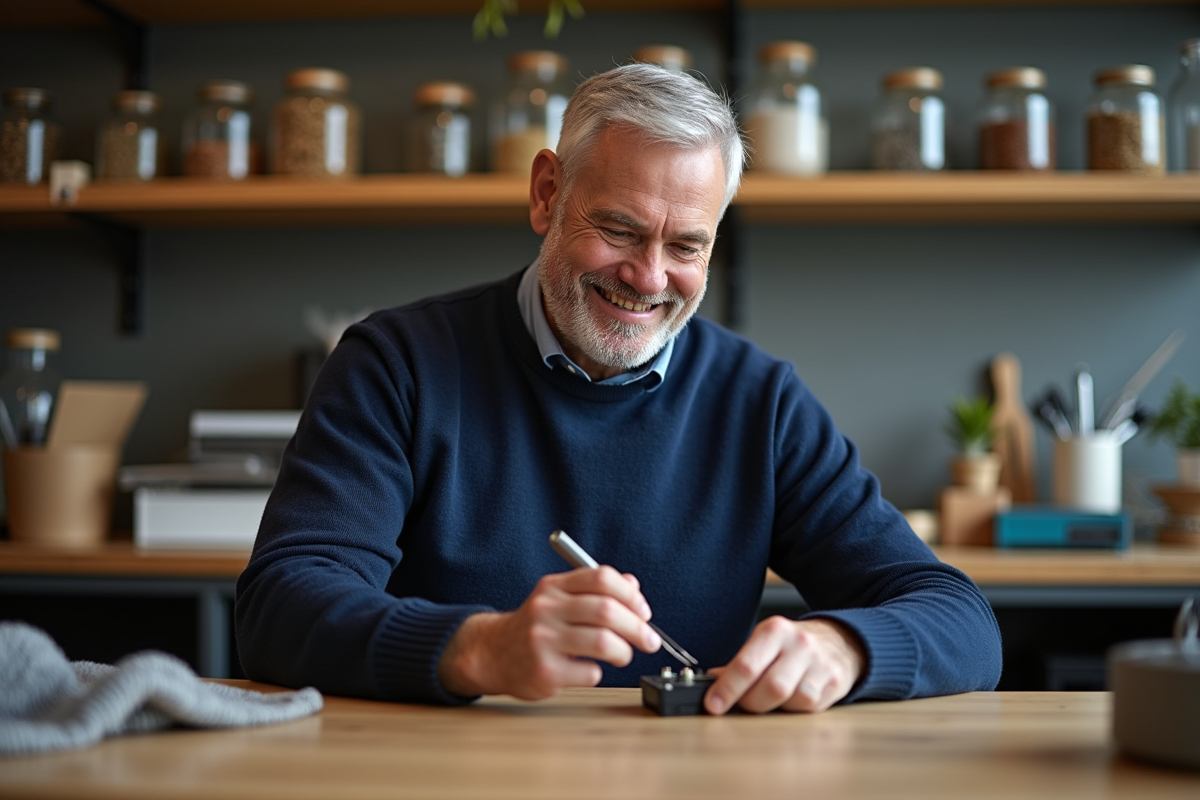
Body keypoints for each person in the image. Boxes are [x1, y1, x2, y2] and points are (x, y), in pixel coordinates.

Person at [235, 64, 1002, 715]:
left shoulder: (759, 402)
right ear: (546, 194)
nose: (648, 277)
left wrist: (847, 648)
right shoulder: (396, 363)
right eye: (621, 230)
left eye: (686, 245)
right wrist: (475, 650)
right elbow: (278, 605)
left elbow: (961, 619)